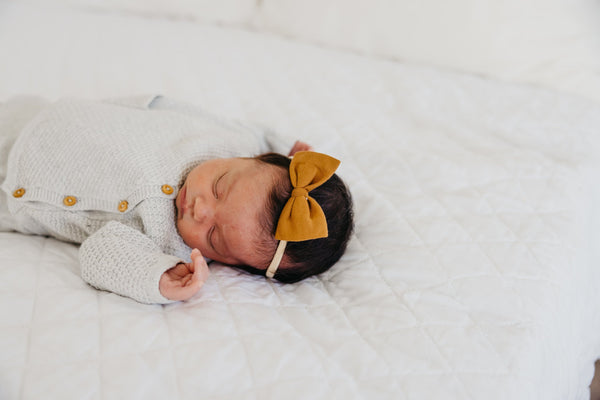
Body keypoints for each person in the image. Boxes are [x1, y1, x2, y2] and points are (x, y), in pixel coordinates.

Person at [0, 95, 354, 304]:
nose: (200, 209)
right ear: (254, 158)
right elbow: (257, 135)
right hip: (36, 113)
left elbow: (99, 254)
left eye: (214, 235)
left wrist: (155, 276)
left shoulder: (173, 246)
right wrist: (284, 145)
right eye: (220, 186)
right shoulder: (236, 140)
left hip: (14, 183)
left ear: (231, 263)